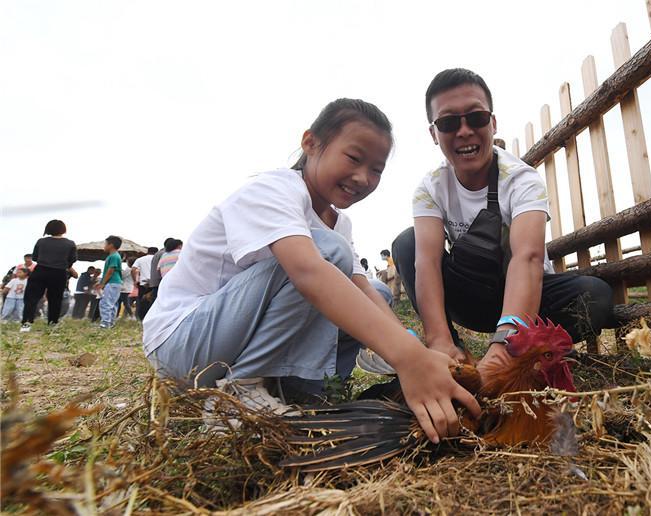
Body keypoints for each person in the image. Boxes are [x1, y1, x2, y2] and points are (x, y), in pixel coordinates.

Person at [143, 98, 479, 443]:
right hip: (184, 347)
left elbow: (365, 295)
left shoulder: (339, 224)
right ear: (311, 143)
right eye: (353, 158)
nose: (363, 177)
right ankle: (235, 397)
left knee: (374, 291)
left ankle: (305, 394)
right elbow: (307, 271)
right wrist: (408, 360)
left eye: (376, 169)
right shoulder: (274, 189)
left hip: (228, 343)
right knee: (324, 254)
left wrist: (414, 352)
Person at [391, 68, 615, 377]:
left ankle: (526, 349)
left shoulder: (522, 180)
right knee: (407, 242)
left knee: (595, 295)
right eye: (448, 122)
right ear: (434, 134)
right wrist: (439, 340)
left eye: (476, 117)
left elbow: (528, 258)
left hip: (529, 297)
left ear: (493, 123)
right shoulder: (430, 187)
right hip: (473, 296)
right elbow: (427, 263)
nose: (464, 130)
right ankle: (450, 353)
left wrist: (506, 345)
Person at [20, 220, 77, 332]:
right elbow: (72, 260)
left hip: (41, 270)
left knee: (32, 298)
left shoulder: (41, 241)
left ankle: (26, 323)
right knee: (55, 299)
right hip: (59, 272)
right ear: (63, 229)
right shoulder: (70, 243)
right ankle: (52, 323)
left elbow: (35, 258)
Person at [98, 235, 124, 329]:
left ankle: (105, 324)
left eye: (105, 244)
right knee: (112, 304)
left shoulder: (113, 256)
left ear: (111, 245)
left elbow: (110, 271)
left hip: (112, 282)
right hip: (116, 283)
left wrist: (102, 284)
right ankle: (111, 323)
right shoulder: (115, 255)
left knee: (105, 303)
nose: (104, 246)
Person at [131, 247, 158, 320]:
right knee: (153, 302)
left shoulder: (140, 259)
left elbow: (133, 269)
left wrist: (135, 281)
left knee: (141, 302)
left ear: (147, 252)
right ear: (156, 252)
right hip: (155, 283)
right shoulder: (158, 258)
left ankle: (141, 318)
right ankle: (151, 317)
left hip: (143, 283)